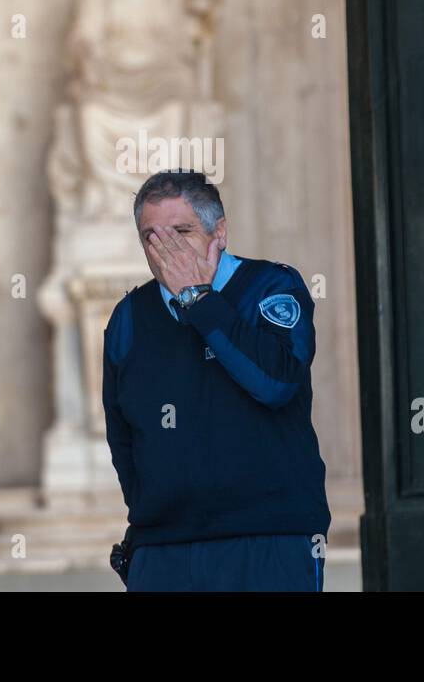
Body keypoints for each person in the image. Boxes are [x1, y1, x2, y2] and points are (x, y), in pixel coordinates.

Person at [103, 169, 331, 591]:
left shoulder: (272, 287)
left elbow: (274, 383)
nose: (166, 247)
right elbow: (122, 435)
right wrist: (153, 511)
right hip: (164, 548)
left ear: (219, 232)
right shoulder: (129, 316)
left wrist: (198, 299)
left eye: (182, 231)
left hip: (268, 539)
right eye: (151, 236)